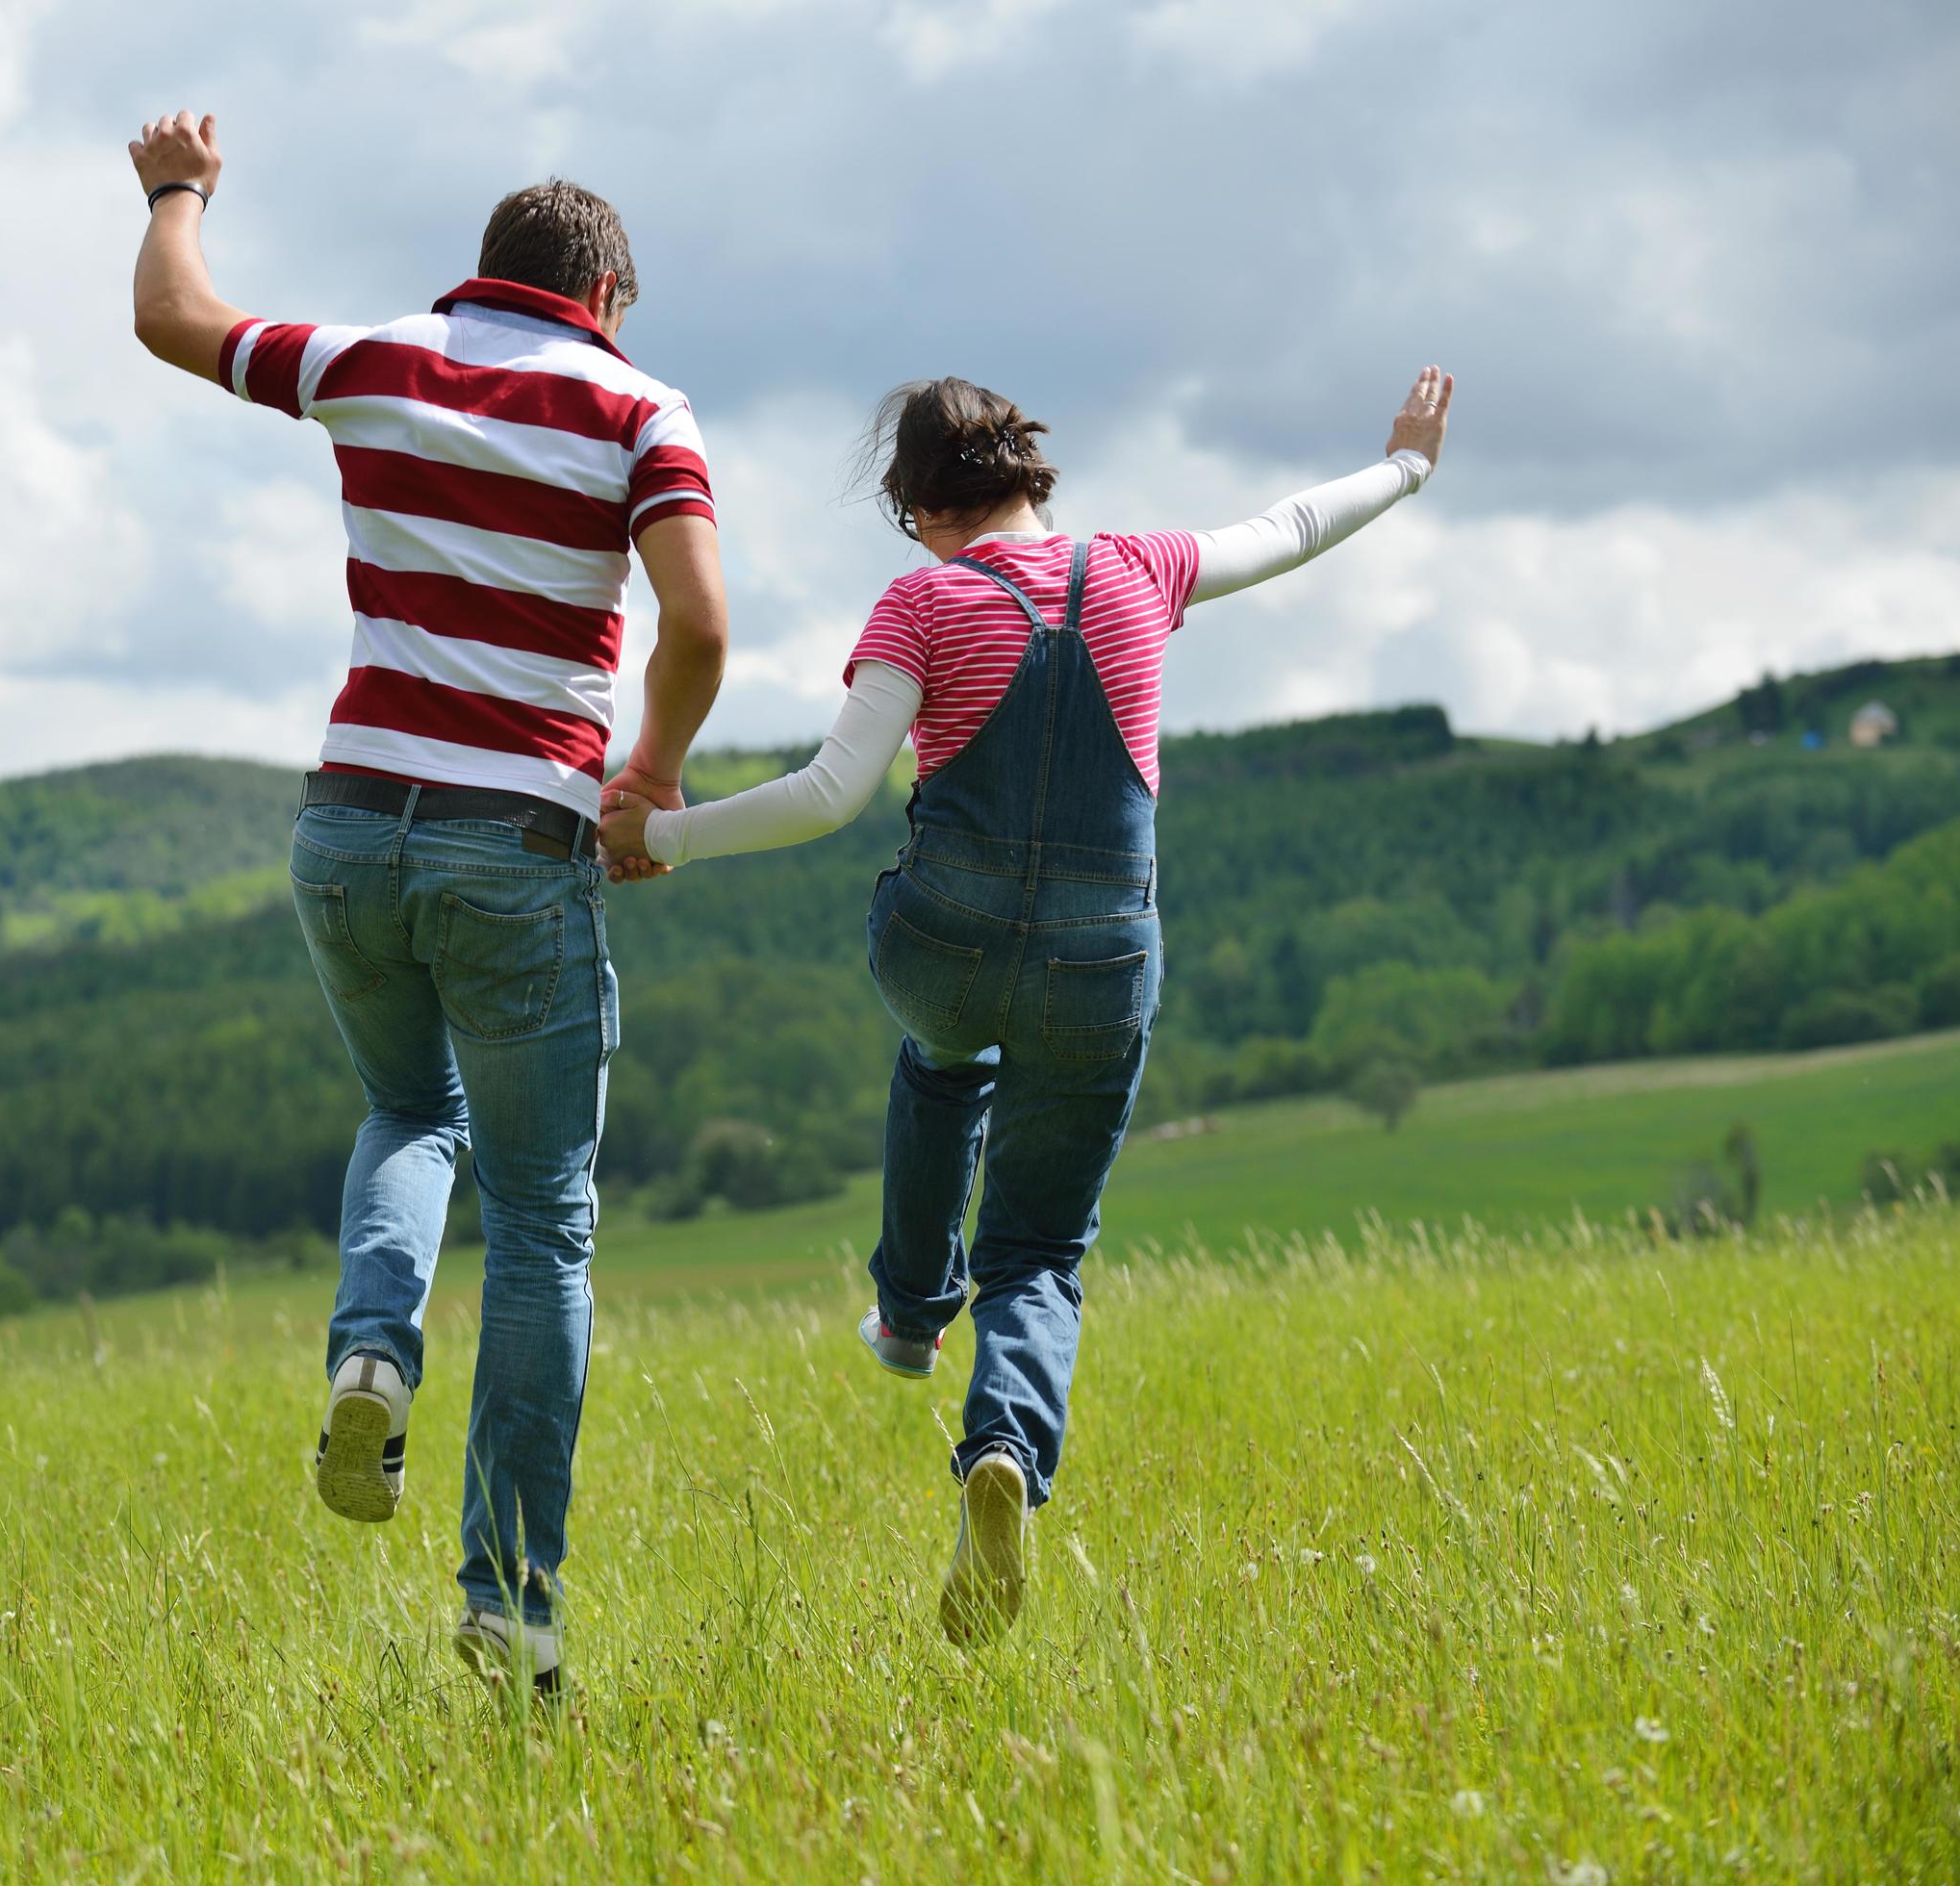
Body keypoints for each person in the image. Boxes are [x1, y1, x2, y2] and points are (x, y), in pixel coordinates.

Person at [600, 367, 1455, 1644]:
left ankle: (904, 1311)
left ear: (916, 507)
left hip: (941, 942)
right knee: (1040, 1250)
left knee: (943, 1057)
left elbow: (833, 794)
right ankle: (999, 1445)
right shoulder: (1136, 572)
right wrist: (1403, 467)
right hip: (1100, 961)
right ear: (1026, 478)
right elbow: (1284, 530)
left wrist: (665, 838)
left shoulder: (924, 598)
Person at [127, 113, 730, 1696]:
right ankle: (508, 1601)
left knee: (409, 1111)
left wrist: (178, 190)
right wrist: (648, 776)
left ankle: (371, 1354)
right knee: (542, 1225)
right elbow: (700, 627)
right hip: (513, 840)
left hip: (346, 826)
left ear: (486, 268)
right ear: (604, 293)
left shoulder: (375, 361)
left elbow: (170, 319)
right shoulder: (639, 410)